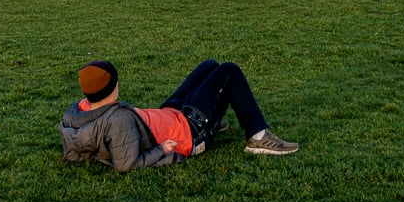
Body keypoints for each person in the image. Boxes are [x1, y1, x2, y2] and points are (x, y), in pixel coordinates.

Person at [61, 58, 298, 171]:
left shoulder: (78, 112)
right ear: (113, 86)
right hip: (189, 133)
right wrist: (163, 150)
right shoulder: (118, 121)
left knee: (209, 65)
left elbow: (76, 148)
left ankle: (214, 119)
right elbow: (126, 164)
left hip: (168, 113)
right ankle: (258, 137)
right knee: (229, 71)